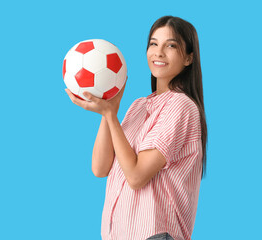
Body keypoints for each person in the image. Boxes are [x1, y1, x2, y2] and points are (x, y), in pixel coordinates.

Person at [65, 16, 207, 240]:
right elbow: (100, 168)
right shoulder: (139, 106)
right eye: (153, 43)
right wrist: (108, 109)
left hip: (155, 235)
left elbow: (136, 176)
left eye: (171, 45)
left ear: (189, 58)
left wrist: (111, 115)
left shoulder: (182, 106)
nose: (158, 52)